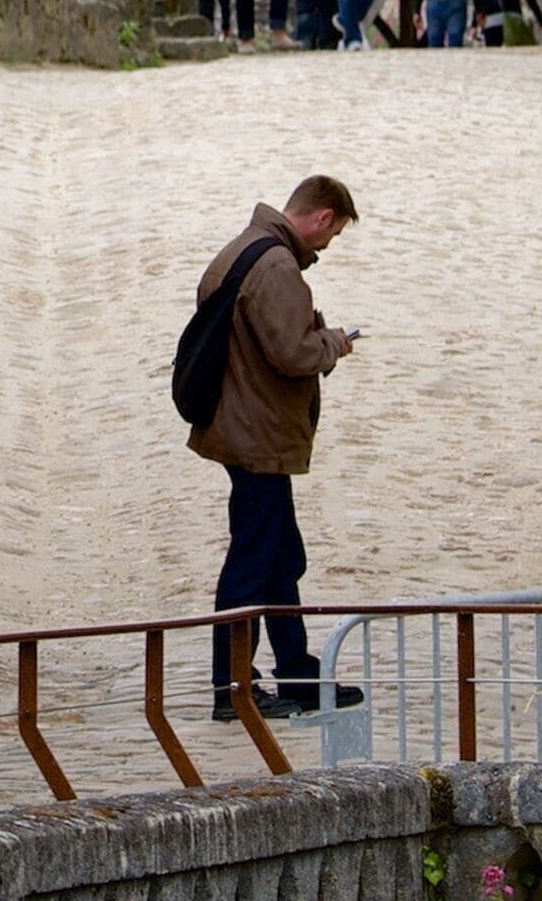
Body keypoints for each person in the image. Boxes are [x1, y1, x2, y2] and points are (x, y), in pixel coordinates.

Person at [189, 176, 366, 717]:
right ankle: (234, 688)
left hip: (244, 425)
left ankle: (297, 675)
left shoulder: (247, 248)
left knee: (280, 555)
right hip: (257, 434)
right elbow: (293, 353)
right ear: (324, 217)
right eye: (333, 233)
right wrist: (334, 341)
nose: (329, 244)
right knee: (253, 561)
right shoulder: (277, 266)